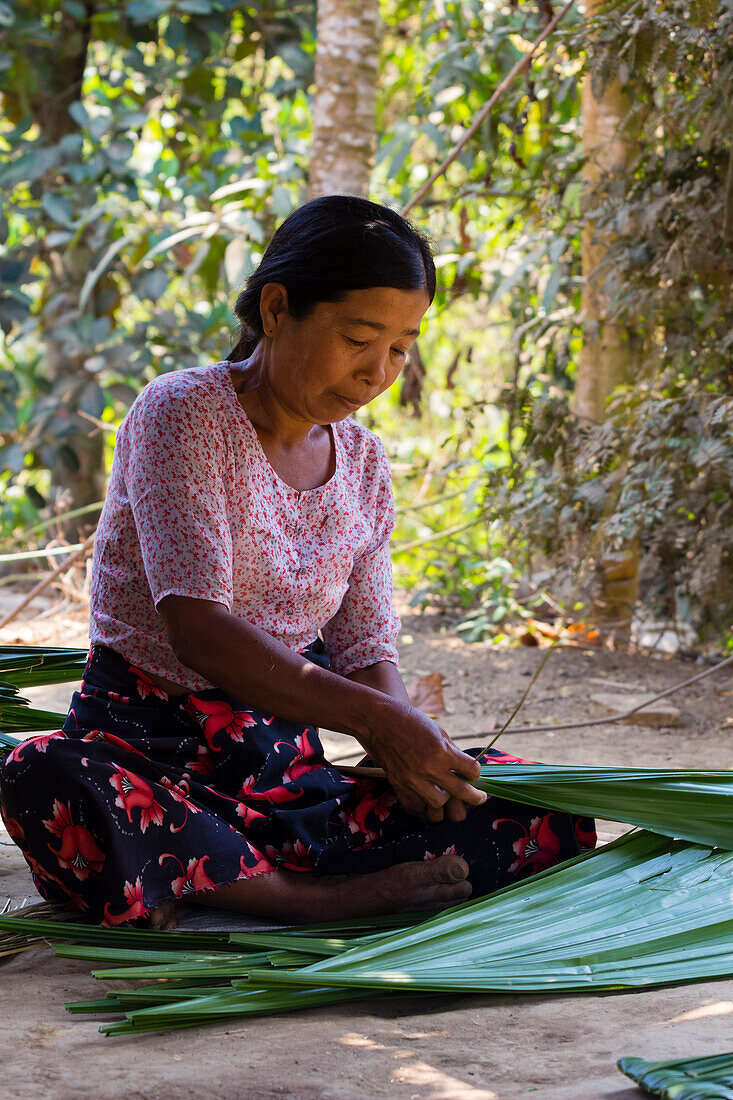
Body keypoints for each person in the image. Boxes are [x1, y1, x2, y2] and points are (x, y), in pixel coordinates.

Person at [0, 196, 595, 928]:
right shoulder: (183, 413)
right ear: (277, 309)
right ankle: (314, 899)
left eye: (401, 347)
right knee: (44, 773)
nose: (378, 371)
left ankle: (224, 885)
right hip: (149, 763)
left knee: (530, 799)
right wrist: (376, 722)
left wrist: (407, 750)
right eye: (358, 338)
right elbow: (197, 629)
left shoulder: (366, 463)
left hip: (293, 783)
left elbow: (363, 645)